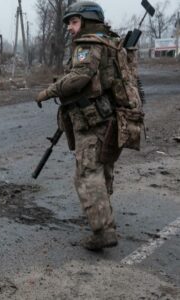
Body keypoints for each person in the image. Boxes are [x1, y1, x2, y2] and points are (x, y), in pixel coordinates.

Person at [35, 1, 142, 250]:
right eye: (69, 23)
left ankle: (103, 230)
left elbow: (80, 77)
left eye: (74, 22)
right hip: (110, 118)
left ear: (88, 20)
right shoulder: (111, 41)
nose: (70, 28)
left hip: (93, 120)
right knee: (103, 167)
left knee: (86, 174)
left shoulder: (88, 43)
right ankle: (104, 217)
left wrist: (48, 91)